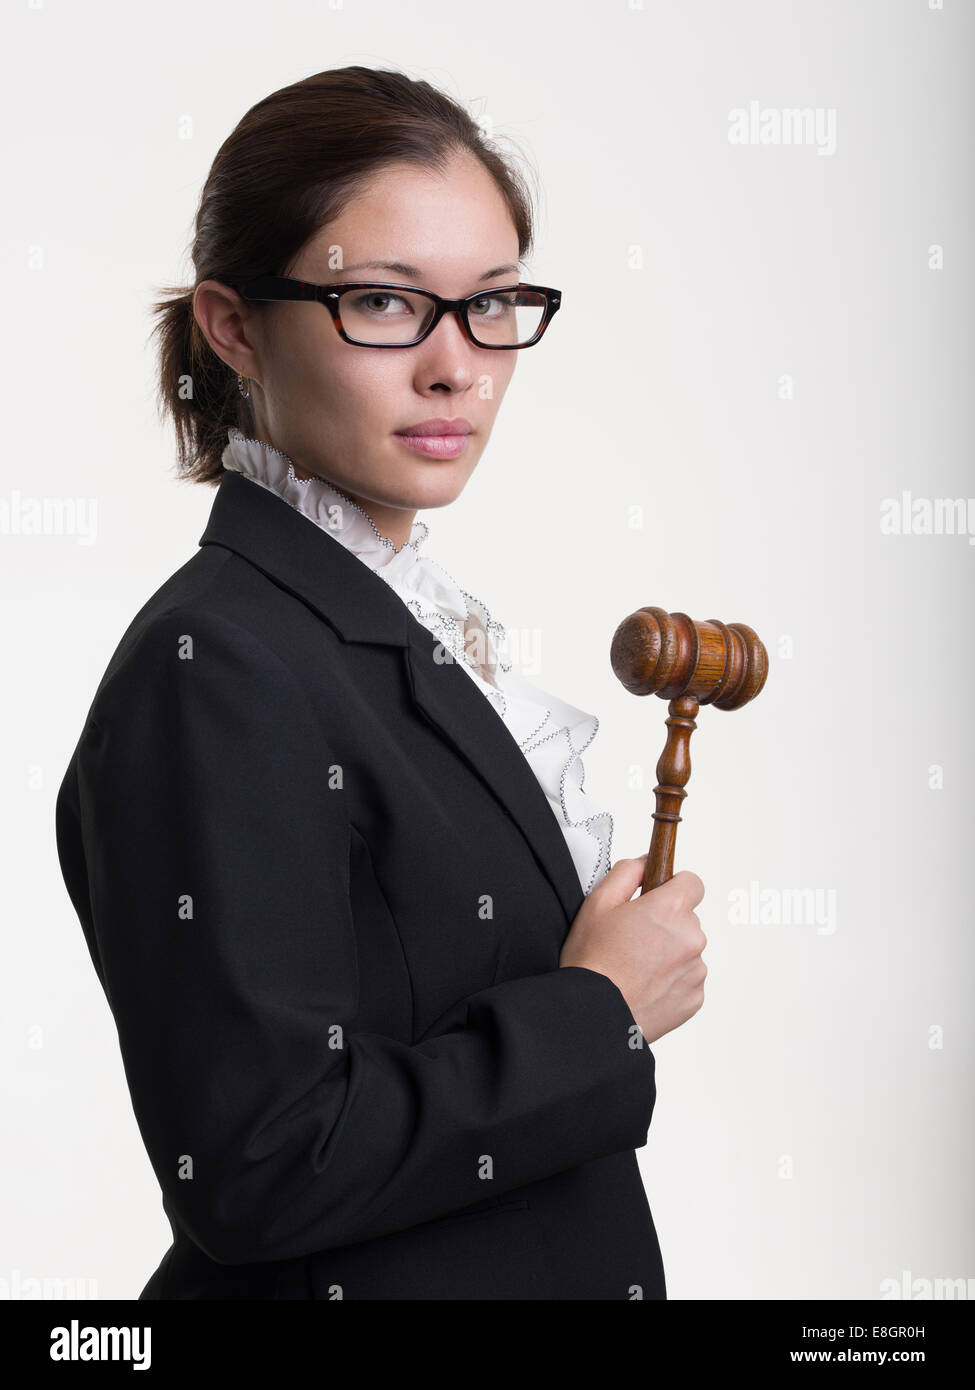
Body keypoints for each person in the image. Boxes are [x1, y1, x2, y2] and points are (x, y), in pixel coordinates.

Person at [54, 65, 707, 1301]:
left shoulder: (389, 621)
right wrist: (600, 1008)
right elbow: (258, 1162)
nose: (458, 366)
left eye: (494, 303)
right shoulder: (218, 666)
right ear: (233, 325)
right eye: (384, 303)